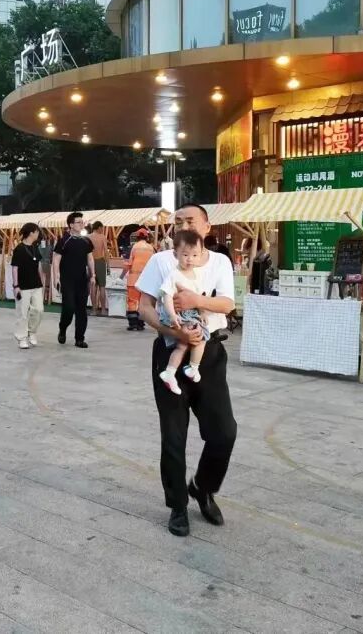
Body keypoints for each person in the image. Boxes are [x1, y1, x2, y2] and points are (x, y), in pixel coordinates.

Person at [137, 203, 237, 537]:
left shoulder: (220, 262)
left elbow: (227, 303)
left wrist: (197, 301)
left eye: (190, 220)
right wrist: (173, 332)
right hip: (170, 352)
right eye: (177, 221)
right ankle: (177, 505)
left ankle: (203, 487)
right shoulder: (160, 261)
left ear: (207, 227)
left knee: (224, 431)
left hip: (209, 352)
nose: (182, 226)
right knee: (173, 435)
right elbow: (144, 306)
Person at [156, 230, 211, 394]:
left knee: (185, 344)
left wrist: (203, 313)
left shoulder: (197, 275)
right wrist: (172, 315)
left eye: (194, 255)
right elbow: (167, 296)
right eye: (185, 255)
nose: (190, 259)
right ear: (175, 254)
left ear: (201, 254)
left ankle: (173, 372)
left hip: (192, 314)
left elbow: (199, 297)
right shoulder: (174, 275)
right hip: (180, 316)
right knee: (198, 339)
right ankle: (190, 368)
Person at [52, 212, 95, 348]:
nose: (82, 224)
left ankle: (79, 339)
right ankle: (63, 328)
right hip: (67, 280)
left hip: (82, 280)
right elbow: (56, 260)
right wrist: (56, 277)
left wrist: (93, 275)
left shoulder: (86, 241)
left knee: (81, 310)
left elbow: (90, 258)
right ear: (71, 225)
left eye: (82, 222)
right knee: (69, 307)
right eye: (78, 222)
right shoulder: (64, 240)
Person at [11, 222, 44, 350]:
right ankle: (22, 338)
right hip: (23, 286)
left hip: (36, 285)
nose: (38, 234)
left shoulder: (35, 247)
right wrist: (16, 286)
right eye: (37, 231)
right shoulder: (19, 249)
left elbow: (39, 265)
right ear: (31, 233)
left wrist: (42, 280)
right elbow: (15, 268)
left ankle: (32, 331)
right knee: (22, 313)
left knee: (39, 310)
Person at [124, 229, 154, 331]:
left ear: (137, 237)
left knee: (132, 302)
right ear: (147, 237)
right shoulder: (151, 248)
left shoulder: (134, 247)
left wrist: (121, 276)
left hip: (134, 279)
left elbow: (129, 264)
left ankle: (133, 324)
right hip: (146, 281)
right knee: (143, 303)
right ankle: (141, 324)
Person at [88, 221, 109, 316]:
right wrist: (108, 265)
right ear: (99, 227)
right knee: (102, 287)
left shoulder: (88, 237)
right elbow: (106, 252)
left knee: (93, 286)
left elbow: (86, 252)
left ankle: (93, 310)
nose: (102, 230)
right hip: (100, 262)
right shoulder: (102, 237)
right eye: (102, 228)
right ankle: (103, 310)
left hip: (90, 262)